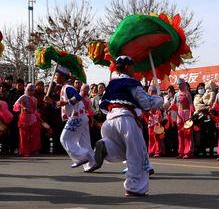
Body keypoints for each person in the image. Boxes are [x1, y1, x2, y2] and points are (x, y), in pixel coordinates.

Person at [86, 56, 163, 197]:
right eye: (133, 65)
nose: (134, 69)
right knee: (136, 153)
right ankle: (134, 187)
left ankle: (106, 147)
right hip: (126, 119)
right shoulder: (131, 82)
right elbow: (145, 102)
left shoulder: (111, 84)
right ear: (127, 67)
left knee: (121, 149)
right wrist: (159, 100)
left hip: (109, 120)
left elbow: (103, 106)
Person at [46, 67, 94, 171]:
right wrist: (51, 102)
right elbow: (60, 105)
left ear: (62, 77)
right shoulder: (64, 88)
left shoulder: (68, 87)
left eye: (56, 75)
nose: (54, 77)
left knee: (64, 138)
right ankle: (92, 163)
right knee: (84, 142)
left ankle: (81, 157)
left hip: (76, 117)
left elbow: (78, 97)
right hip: (81, 117)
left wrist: (65, 102)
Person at [13, 83, 41, 157]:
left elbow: (35, 110)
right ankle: (24, 151)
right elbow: (16, 104)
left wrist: (38, 117)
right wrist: (22, 107)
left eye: (32, 90)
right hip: (24, 117)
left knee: (34, 135)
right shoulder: (23, 97)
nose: (30, 91)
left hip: (32, 118)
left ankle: (32, 150)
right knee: (24, 135)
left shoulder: (35, 99)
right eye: (29, 89)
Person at [171, 79, 194, 159]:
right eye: (178, 84)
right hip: (179, 114)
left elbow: (191, 105)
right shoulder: (176, 94)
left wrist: (190, 115)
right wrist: (168, 107)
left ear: (184, 84)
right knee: (180, 133)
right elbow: (173, 104)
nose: (179, 85)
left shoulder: (187, 94)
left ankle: (188, 152)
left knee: (187, 133)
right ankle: (181, 152)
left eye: (180, 84)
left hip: (187, 113)